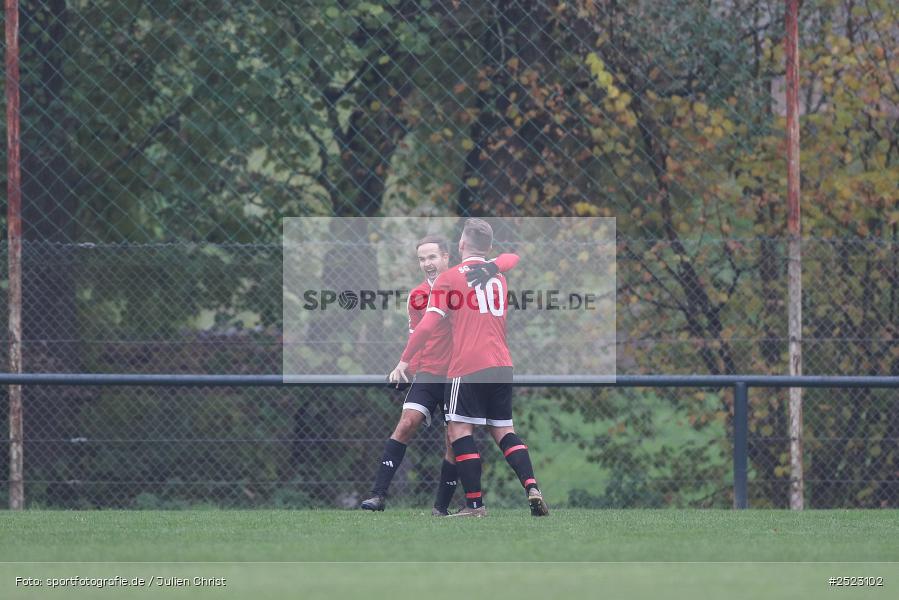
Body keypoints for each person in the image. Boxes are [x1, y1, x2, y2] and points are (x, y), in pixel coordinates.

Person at [389, 219, 548, 518]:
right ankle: (531, 486)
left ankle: (475, 505)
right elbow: (511, 258)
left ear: (461, 245)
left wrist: (404, 360)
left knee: (460, 430)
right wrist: (495, 265)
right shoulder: (498, 275)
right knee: (504, 431)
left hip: (468, 364)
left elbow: (425, 328)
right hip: (502, 364)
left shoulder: (450, 279)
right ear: (488, 249)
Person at [361, 235, 520, 515]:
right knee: (407, 422)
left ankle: (440, 508)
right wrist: (407, 368)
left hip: (459, 374)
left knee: (453, 440)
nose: (427, 264)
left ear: (447, 256)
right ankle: (377, 496)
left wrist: (493, 268)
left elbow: (511, 258)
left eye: (432, 257)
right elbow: (417, 336)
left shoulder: (465, 279)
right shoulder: (418, 296)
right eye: (422, 259)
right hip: (429, 374)